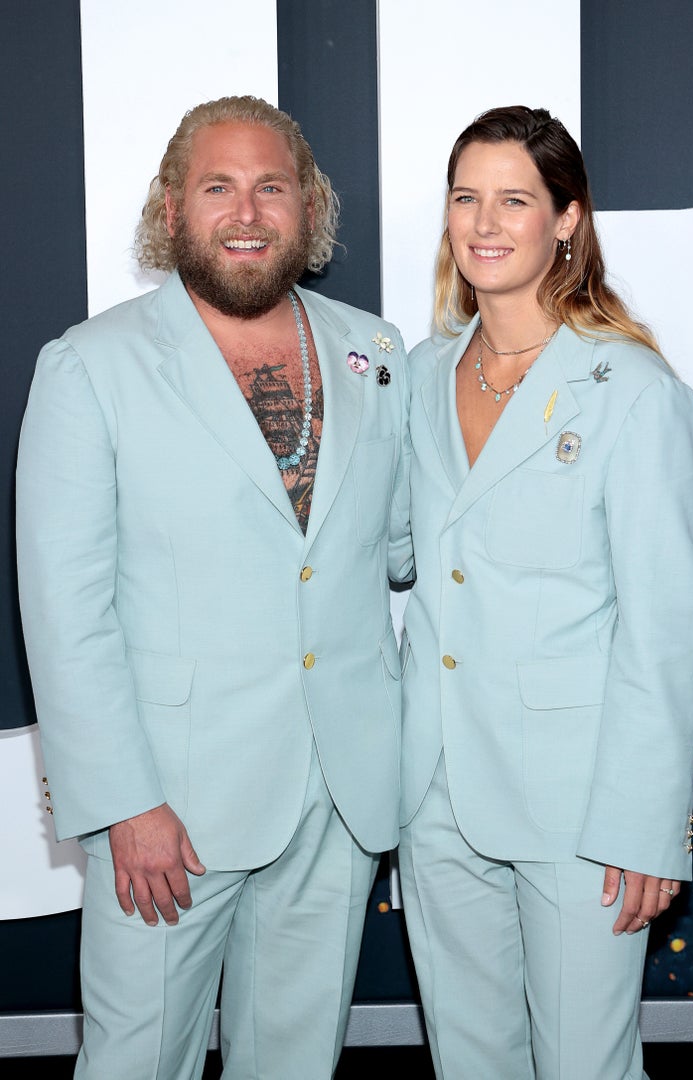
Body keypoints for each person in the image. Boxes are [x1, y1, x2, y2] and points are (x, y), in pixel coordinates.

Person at [16, 94, 410, 1080]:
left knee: (294, 1062)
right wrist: (121, 806)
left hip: (337, 796)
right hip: (169, 811)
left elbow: (395, 550)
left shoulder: (379, 353)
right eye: (218, 187)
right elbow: (66, 614)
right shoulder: (89, 367)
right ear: (172, 207)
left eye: (271, 187)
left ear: (308, 207)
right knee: (137, 1063)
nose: (246, 212)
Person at [397, 106, 693, 1079]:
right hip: (437, 793)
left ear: (566, 219)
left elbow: (662, 631)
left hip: (582, 808)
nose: (485, 222)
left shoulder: (632, 389)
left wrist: (647, 825)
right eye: (466, 197)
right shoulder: (414, 378)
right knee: (470, 1065)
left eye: (515, 199)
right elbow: (393, 554)